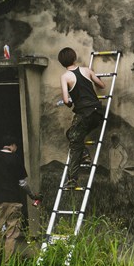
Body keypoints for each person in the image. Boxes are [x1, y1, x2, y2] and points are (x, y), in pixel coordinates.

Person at [0, 135, 41, 264]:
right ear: (12, 145)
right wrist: (32, 196)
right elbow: (22, 183)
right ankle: (8, 265)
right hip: (14, 202)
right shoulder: (16, 159)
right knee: (11, 235)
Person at [58, 47, 105, 188]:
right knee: (71, 134)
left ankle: (72, 180)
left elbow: (66, 100)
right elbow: (101, 85)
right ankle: (84, 153)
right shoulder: (86, 70)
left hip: (83, 115)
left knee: (74, 145)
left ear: (62, 62)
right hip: (97, 114)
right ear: (74, 57)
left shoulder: (65, 77)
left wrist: (71, 102)